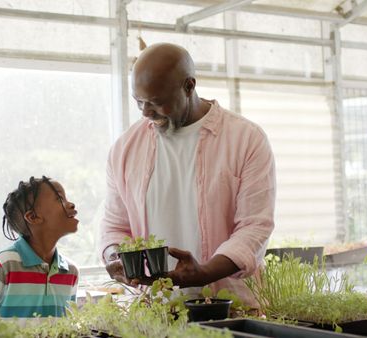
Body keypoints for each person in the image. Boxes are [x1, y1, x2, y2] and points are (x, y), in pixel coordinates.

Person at [99, 43, 276, 307]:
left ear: (189, 86)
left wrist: (205, 273)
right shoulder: (125, 149)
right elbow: (115, 226)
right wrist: (115, 256)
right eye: (140, 103)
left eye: (157, 102)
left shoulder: (245, 139)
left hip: (229, 310)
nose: (147, 113)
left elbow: (254, 227)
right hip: (154, 312)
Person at [0, 176, 80, 317]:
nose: (71, 204)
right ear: (33, 217)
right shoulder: (3, 264)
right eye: (59, 199)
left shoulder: (71, 271)